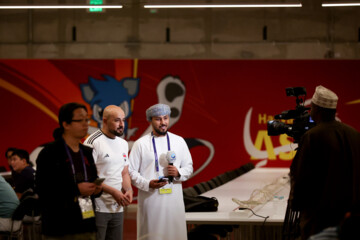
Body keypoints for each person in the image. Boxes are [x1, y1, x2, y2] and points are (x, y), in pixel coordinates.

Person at [289, 85, 360, 240]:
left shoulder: (312, 136)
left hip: (319, 219)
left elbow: (301, 177)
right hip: (350, 219)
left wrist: (295, 205)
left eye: (312, 107)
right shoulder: (354, 134)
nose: (310, 110)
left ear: (318, 110)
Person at [35, 102, 102, 240]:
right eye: (80, 120)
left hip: (86, 222)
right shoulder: (50, 153)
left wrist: (96, 189)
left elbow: (92, 178)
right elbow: (43, 189)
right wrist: (76, 189)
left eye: (86, 120)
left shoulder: (87, 152)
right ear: (65, 124)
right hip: (59, 225)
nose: (85, 124)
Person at [129, 103, 193, 240]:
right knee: (152, 235)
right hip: (151, 200)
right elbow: (131, 171)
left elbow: (189, 167)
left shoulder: (179, 141)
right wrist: (147, 184)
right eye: (158, 119)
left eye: (165, 118)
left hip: (174, 200)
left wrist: (178, 173)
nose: (163, 122)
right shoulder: (140, 144)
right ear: (150, 120)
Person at [84, 105, 133, 240]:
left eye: (123, 120)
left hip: (117, 206)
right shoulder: (92, 142)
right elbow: (88, 177)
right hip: (96, 206)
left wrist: (128, 189)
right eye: (117, 120)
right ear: (105, 121)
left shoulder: (123, 143)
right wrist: (113, 192)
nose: (121, 124)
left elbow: (124, 172)